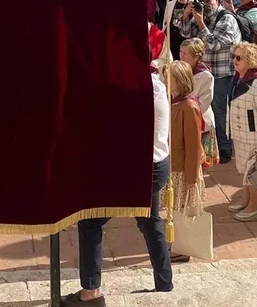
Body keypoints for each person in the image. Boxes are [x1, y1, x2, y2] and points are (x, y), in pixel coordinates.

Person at [68, 26, 173, 305]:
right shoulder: (155, 80)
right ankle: (164, 283)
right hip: (154, 166)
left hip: (136, 169)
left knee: (91, 221)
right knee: (151, 223)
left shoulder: (138, 86)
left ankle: (91, 293)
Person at [179, 0, 241, 164]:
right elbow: (185, 33)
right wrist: (186, 15)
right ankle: (210, 147)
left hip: (223, 73)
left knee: (220, 111)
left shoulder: (226, 18)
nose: (205, 6)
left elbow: (214, 44)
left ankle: (225, 148)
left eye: (208, 2)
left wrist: (200, 23)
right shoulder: (200, 15)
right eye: (201, 2)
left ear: (217, 1)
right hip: (204, 72)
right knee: (206, 111)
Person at [226, 42, 257, 221]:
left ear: (250, 60)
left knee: (254, 173)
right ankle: (247, 200)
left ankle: (254, 207)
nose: (235, 60)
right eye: (234, 57)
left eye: (239, 58)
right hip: (240, 135)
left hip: (253, 137)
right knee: (244, 171)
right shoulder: (238, 78)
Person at [168, 60, 205, 249]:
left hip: (183, 171)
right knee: (172, 210)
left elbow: (193, 145)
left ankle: (182, 247)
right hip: (172, 167)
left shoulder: (188, 106)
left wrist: (191, 179)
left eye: (169, 77)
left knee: (181, 211)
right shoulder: (172, 101)